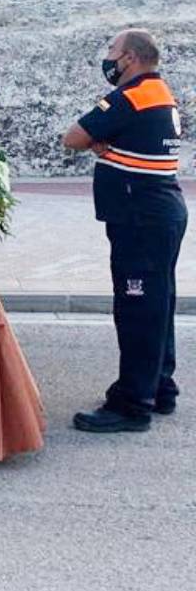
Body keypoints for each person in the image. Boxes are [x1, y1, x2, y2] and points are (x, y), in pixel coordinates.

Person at [63, 29, 187, 433]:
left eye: (112, 52)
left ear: (130, 58)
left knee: (137, 309)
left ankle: (132, 403)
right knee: (158, 304)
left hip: (141, 218)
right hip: (158, 213)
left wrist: (100, 143)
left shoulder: (130, 95)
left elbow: (73, 137)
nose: (109, 59)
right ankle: (159, 388)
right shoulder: (160, 92)